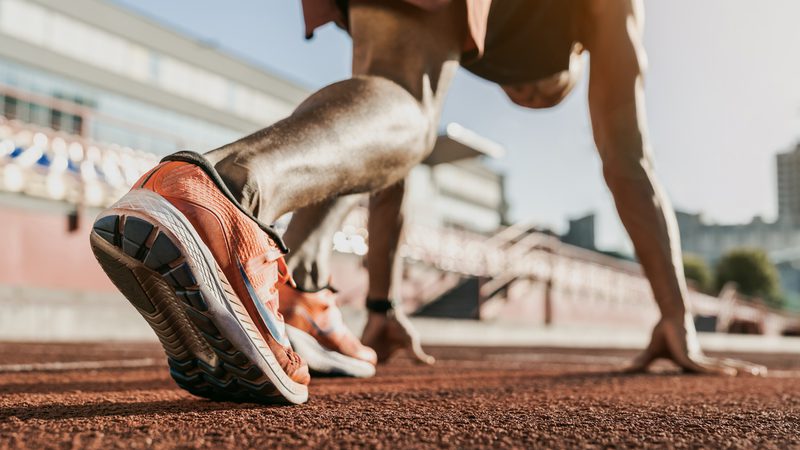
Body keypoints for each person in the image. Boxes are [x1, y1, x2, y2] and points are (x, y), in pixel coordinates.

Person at [90, 0, 765, 405]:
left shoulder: (486, 29)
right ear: (574, 57)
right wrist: (678, 315)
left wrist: (382, 306)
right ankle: (219, 195)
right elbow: (629, 160)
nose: (528, 97)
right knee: (407, 113)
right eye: (545, 88)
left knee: (389, 112)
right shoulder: (604, 15)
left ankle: (297, 290)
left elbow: (388, 170)